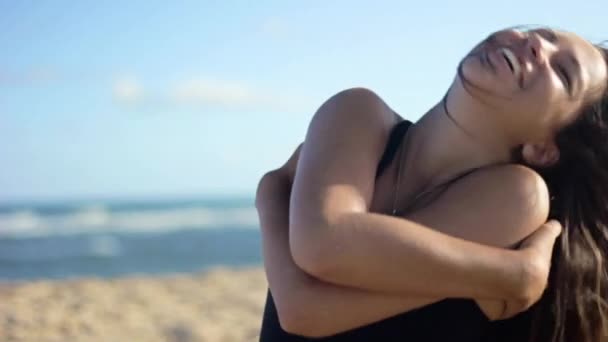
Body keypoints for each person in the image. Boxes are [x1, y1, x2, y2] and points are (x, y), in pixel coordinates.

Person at [256, 26, 608, 342]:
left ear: (544, 149)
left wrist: (272, 192)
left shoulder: (516, 196)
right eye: (542, 35)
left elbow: (305, 304)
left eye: (563, 71)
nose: (535, 45)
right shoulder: (356, 111)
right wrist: (512, 274)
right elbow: (319, 256)